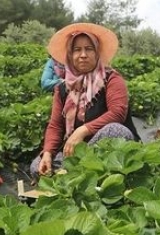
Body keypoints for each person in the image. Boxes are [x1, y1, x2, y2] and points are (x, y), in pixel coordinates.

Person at [31, 23, 141, 177]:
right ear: (70, 55)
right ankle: (75, 173)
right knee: (37, 166)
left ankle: (72, 175)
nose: (83, 55)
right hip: (79, 151)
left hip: (108, 149)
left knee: (116, 130)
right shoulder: (62, 88)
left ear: (97, 53)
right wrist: (48, 153)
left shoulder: (111, 79)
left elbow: (118, 113)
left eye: (89, 49)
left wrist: (82, 130)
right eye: (77, 50)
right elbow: (55, 126)